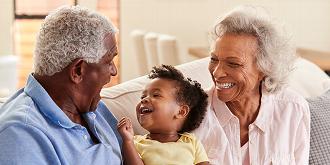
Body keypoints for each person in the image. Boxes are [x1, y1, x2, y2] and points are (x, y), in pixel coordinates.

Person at [0, 6, 122, 164]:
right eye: (108, 61)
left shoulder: (93, 108)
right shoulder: (20, 134)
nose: (114, 71)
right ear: (78, 71)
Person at [193, 5, 310, 165]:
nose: (217, 73)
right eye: (214, 60)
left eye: (233, 63)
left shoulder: (292, 109)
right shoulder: (190, 114)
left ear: (264, 69)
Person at [117, 65, 209, 165]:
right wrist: (128, 141)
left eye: (156, 95)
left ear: (181, 112)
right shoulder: (136, 143)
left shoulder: (191, 142)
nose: (144, 99)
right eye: (143, 96)